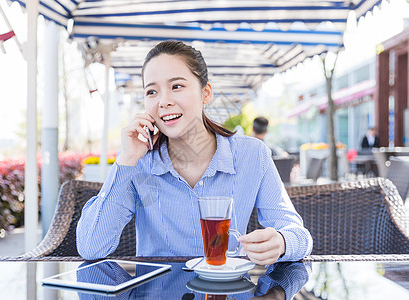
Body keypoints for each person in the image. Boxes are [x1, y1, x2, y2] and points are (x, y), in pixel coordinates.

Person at [76, 40, 312, 266]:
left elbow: (298, 235)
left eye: (176, 86)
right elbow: (91, 247)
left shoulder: (253, 154)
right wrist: (126, 160)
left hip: (227, 292)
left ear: (206, 93)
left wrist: (281, 242)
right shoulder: (138, 162)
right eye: (151, 92)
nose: (164, 101)